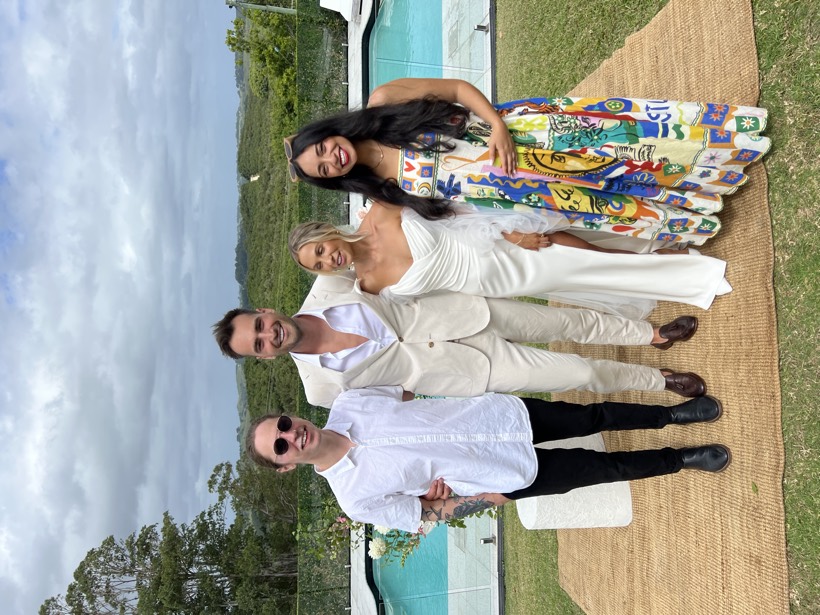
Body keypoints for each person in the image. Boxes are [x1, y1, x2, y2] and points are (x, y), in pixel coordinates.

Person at [284, 78, 769, 252]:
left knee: (621, 145)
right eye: (325, 169)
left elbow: (455, 91)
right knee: (606, 199)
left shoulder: (384, 101)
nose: (332, 158)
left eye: (323, 149)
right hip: (517, 188)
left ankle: (723, 149)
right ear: (336, 180)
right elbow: (451, 213)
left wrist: (495, 124)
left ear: (328, 132)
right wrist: (510, 229)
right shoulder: (380, 191)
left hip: (523, 135)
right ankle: (700, 198)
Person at [245, 386, 731, 531]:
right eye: (281, 445)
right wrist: (486, 501)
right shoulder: (355, 499)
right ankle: (682, 459)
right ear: (286, 465)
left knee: (594, 415)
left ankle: (670, 414)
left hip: (499, 414)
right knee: (607, 469)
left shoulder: (350, 403)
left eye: (284, 425)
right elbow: (428, 513)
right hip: (498, 474)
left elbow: (414, 393)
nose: (293, 435)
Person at [212, 274, 706, 408]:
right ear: (265, 357)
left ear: (264, 311)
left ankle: (653, 334)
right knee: (579, 373)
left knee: (567, 323)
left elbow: (383, 259)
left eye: (257, 326)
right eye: (258, 345)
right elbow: (394, 400)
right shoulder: (320, 390)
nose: (266, 335)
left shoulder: (328, 286)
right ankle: (659, 381)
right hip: (470, 370)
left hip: (467, 310)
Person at [288, 200, 731, 318]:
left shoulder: (383, 211)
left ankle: (661, 244)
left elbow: (452, 208)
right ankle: (687, 275)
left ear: (326, 233)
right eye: (320, 265)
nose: (330, 260)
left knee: (584, 248)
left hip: (495, 240)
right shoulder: (369, 287)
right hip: (495, 281)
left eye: (322, 250)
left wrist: (514, 232)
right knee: (585, 272)